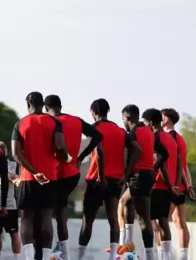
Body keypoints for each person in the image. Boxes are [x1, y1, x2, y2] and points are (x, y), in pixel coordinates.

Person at [43, 95, 103, 260]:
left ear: (45, 108)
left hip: (53, 174)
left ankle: (52, 253)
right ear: (61, 106)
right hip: (72, 174)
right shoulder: (76, 120)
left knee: (48, 213)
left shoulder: (47, 122)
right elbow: (98, 136)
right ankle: (64, 253)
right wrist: (81, 157)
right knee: (60, 210)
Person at [11, 92, 70, 260]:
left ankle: (29, 258)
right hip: (50, 177)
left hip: (28, 177)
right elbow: (60, 147)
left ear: (28, 105)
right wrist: (65, 157)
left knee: (26, 218)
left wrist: (34, 172)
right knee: (46, 217)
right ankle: (44, 257)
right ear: (43, 105)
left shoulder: (20, 123)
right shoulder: (53, 122)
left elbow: (16, 154)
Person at [77, 99, 125, 260]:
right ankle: (113, 257)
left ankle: (80, 256)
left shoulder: (94, 129)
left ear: (94, 111)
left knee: (87, 220)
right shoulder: (119, 130)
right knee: (113, 219)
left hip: (97, 180)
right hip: (115, 180)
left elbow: (99, 153)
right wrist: (126, 173)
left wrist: (101, 176)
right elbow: (136, 150)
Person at [119, 104, 157, 260]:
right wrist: (153, 168)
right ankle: (128, 245)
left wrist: (126, 175)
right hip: (148, 175)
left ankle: (147, 254)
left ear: (127, 118)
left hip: (139, 176)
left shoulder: (133, 134)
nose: (123, 123)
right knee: (126, 202)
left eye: (122, 120)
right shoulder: (148, 132)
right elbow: (164, 153)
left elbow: (134, 154)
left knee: (143, 219)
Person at [145, 108, 182, 260]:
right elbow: (180, 163)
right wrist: (174, 184)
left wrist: (167, 182)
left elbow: (161, 163)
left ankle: (157, 255)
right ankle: (165, 256)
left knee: (153, 224)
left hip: (157, 184)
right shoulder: (171, 139)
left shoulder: (154, 137)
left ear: (151, 122)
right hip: (169, 186)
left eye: (145, 121)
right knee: (163, 221)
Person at [162, 109, 195, 260]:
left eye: (161, 117)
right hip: (180, 186)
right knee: (179, 221)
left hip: (171, 186)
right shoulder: (180, 138)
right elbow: (184, 165)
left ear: (167, 119)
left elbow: (179, 164)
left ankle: (162, 255)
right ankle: (182, 256)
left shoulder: (170, 138)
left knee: (160, 222)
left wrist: (177, 185)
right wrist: (189, 186)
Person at [0, 142, 21, 260]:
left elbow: (18, 179)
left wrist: (11, 177)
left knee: (13, 233)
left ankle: (16, 258)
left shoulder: (13, 165)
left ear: (4, 153)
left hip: (10, 205)